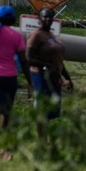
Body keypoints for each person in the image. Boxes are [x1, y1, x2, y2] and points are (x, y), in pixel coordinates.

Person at [27, 7, 73, 135]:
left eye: (50, 16)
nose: (47, 19)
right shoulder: (36, 35)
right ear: (39, 19)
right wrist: (48, 65)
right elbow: (28, 58)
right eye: (44, 16)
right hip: (41, 76)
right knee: (43, 109)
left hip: (54, 76)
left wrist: (67, 77)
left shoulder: (52, 35)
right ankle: (42, 141)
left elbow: (58, 60)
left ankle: (46, 136)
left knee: (53, 110)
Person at [0, 6, 31, 130]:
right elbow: (23, 61)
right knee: (6, 108)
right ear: (13, 20)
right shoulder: (16, 36)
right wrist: (30, 80)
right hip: (9, 78)